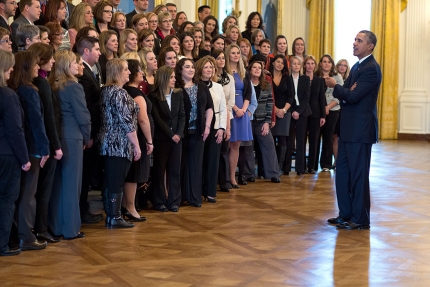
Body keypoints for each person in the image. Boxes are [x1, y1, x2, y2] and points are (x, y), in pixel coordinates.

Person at [325, 30, 381, 230]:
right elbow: (347, 93)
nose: (355, 43)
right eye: (355, 40)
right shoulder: (357, 66)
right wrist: (346, 91)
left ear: (370, 45)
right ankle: (345, 214)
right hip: (348, 129)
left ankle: (360, 219)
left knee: (358, 175)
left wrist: (336, 86)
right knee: (343, 173)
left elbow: (353, 96)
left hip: (360, 131)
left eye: (360, 40)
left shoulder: (371, 68)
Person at [8, 51, 50, 251]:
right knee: (28, 195)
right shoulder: (30, 91)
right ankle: (27, 235)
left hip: (18, 148)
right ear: (26, 67)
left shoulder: (13, 88)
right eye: (34, 64)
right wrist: (45, 148)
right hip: (33, 148)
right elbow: (37, 122)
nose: (38, 67)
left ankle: (19, 234)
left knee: (20, 194)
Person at [48, 50, 91, 240]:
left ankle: (57, 227)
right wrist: (87, 136)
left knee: (59, 184)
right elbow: (83, 116)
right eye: (76, 62)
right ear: (66, 65)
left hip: (59, 138)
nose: (79, 66)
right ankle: (71, 229)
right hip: (73, 138)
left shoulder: (54, 85)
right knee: (73, 184)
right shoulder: (74, 86)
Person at [99, 58, 141, 228]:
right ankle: (114, 216)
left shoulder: (105, 91)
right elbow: (127, 123)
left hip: (106, 142)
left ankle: (111, 215)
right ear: (117, 72)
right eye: (125, 69)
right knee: (116, 181)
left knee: (110, 180)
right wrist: (136, 145)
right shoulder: (119, 93)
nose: (129, 72)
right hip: (119, 144)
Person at [27, 43, 62, 244]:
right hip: (46, 144)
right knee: (44, 189)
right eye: (50, 58)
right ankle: (41, 228)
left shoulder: (35, 82)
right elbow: (49, 118)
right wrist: (56, 146)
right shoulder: (42, 84)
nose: (54, 61)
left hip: (38, 143)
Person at [0, 50, 31, 256]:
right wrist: (24, 158)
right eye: (9, 66)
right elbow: (15, 129)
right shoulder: (8, 95)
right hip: (8, 154)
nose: (12, 69)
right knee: (7, 200)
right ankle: (2, 244)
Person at [175, 58, 214, 207]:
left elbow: (209, 107)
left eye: (192, 67)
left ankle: (195, 197)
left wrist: (207, 127)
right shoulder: (176, 87)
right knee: (181, 164)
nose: (191, 69)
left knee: (196, 164)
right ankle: (180, 197)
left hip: (198, 130)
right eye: (187, 67)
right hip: (182, 132)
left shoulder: (201, 86)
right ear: (180, 70)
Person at [148, 65, 185, 212]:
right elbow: (157, 119)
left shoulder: (178, 94)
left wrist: (179, 133)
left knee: (175, 170)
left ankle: (174, 201)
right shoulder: (153, 96)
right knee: (159, 170)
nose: (174, 79)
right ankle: (159, 201)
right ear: (164, 78)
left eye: (174, 76)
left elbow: (182, 115)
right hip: (162, 138)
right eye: (171, 77)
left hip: (177, 138)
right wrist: (171, 134)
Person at [76, 36, 103, 224]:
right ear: (86, 51)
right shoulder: (83, 74)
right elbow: (86, 108)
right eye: (97, 49)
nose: (100, 52)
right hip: (88, 134)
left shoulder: (90, 71)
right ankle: (81, 210)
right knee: (84, 175)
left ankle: (83, 208)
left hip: (91, 132)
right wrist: (90, 135)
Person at [123, 59, 153, 221]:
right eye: (139, 70)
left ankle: (127, 205)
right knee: (134, 174)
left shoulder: (128, 90)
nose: (142, 72)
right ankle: (130, 206)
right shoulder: (135, 93)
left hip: (133, 136)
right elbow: (143, 119)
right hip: (139, 137)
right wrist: (149, 140)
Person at [195, 56, 227, 203]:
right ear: (200, 68)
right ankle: (198, 190)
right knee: (200, 159)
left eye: (211, 67)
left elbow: (223, 109)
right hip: (200, 126)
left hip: (215, 126)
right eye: (206, 67)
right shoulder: (195, 85)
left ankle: (210, 191)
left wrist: (222, 128)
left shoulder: (218, 86)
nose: (209, 70)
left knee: (213, 159)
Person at [224, 44, 253, 188]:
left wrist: (243, 109)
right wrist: (235, 109)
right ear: (228, 54)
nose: (236, 55)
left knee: (236, 145)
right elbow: (224, 94)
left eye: (238, 53)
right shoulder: (224, 72)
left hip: (242, 110)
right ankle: (224, 178)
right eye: (233, 53)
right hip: (230, 109)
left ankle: (232, 178)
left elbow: (248, 93)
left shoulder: (244, 72)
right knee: (227, 144)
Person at [248, 60, 280, 182]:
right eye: (254, 67)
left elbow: (269, 104)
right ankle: (249, 174)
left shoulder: (266, 84)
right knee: (248, 148)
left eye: (259, 68)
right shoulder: (246, 84)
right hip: (248, 121)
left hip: (262, 121)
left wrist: (267, 122)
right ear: (250, 70)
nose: (257, 69)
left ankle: (273, 173)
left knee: (269, 145)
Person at [211, 49, 235, 192]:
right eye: (218, 58)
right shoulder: (211, 79)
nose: (221, 60)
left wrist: (227, 126)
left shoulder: (229, 78)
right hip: (212, 117)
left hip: (226, 115)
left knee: (224, 150)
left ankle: (225, 180)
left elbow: (230, 101)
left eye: (222, 58)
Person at [284, 56, 311, 175]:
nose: (296, 65)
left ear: (301, 66)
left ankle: (300, 168)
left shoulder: (305, 79)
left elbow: (306, 97)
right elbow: (288, 97)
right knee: (289, 140)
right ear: (291, 66)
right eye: (294, 64)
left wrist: (298, 111)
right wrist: (293, 111)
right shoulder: (287, 79)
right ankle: (286, 168)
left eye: (298, 64)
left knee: (301, 140)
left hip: (302, 112)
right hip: (290, 111)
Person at [316, 54, 343, 171]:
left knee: (328, 137)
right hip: (317, 111)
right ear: (321, 64)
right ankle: (312, 164)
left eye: (329, 62)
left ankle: (326, 164)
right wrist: (322, 108)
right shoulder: (316, 76)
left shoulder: (337, 77)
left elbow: (340, 96)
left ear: (332, 64)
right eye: (324, 61)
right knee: (316, 137)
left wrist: (327, 107)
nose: (326, 64)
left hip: (333, 111)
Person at [269, 55, 294, 173]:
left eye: (282, 63)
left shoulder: (287, 78)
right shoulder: (267, 77)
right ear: (273, 63)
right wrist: (275, 109)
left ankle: (279, 167)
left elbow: (291, 96)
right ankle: (271, 167)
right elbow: (266, 95)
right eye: (277, 62)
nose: (280, 64)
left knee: (283, 139)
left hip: (285, 112)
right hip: (270, 110)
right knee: (271, 139)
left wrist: (283, 110)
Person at [303, 55, 326, 174]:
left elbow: (322, 99)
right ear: (304, 65)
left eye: (312, 63)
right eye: (308, 63)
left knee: (314, 140)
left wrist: (323, 116)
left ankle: (312, 166)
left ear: (315, 66)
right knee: (302, 140)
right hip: (302, 113)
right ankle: (301, 166)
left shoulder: (319, 80)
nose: (310, 66)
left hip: (316, 113)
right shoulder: (301, 78)